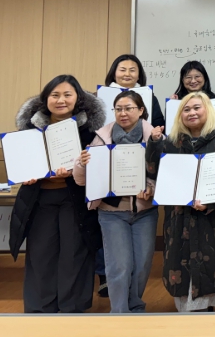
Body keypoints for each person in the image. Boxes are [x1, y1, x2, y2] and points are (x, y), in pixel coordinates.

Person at [9, 75, 105, 313]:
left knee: (74, 253)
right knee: (41, 254)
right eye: (55, 95)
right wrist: (27, 175)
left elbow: (100, 169)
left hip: (75, 200)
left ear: (78, 99)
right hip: (39, 199)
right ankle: (40, 309)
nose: (61, 100)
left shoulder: (91, 132)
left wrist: (79, 168)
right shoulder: (29, 131)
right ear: (45, 99)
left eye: (67, 95)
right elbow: (21, 164)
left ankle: (72, 308)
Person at [145, 92, 215, 312]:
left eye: (197, 108)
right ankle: (185, 313)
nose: (191, 113)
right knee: (179, 263)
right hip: (179, 216)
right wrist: (154, 143)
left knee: (210, 265)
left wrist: (209, 204)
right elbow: (154, 171)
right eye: (186, 109)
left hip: (211, 217)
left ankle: (205, 312)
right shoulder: (172, 141)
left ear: (208, 111)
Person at [73, 91, 158, 313]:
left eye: (129, 108)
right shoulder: (101, 138)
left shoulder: (155, 137)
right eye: (118, 109)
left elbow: (164, 173)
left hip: (145, 212)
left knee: (142, 265)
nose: (123, 113)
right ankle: (119, 312)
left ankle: (135, 307)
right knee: (119, 265)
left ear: (141, 110)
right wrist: (81, 164)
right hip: (111, 213)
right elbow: (82, 180)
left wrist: (150, 188)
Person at [105, 54, 165, 128]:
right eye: (122, 70)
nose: (127, 74)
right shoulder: (100, 96)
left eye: (132, 70)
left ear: (139, 75)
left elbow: (158, 125)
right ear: (114, 74)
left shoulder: (150, 97)